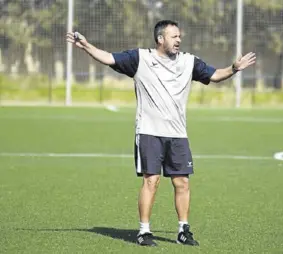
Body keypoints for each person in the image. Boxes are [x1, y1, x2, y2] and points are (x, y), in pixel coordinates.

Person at [66, 19, 255, 247]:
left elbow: (215, 75)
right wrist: (86, 46)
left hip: (178, 135)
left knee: (182, 182)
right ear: (160, 39)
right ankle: (144, 231)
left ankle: (183, 230)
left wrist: (234, 69)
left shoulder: (189, 62)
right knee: (151, 181)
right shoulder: (140, 59)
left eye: (179, 36)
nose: (179, 40)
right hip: (149, 132)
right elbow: (108, 58)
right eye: (174, 36)